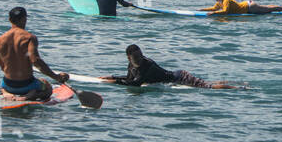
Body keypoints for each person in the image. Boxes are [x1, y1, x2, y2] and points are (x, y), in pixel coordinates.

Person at [0, 6, 68, 100]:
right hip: (26, 84)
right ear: (25, 19)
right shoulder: (29, 37)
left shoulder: (0, 40)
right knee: (47, 87)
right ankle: (31, 95)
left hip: (8, 84)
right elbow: (35, 60)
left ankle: (6, 92)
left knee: (4, 84)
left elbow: (2, 66)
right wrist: (56, 77)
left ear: (10, 20)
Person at [99, 44, 246, 89]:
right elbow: (130, 78)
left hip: (180, 77)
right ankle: (236, 82)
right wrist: (112, 77)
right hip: (177, 77)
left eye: (140, 55)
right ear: (129, 58)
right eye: (136, 57)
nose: (139, 58)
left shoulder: (148, 64)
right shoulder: (131, 65)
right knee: (208, 83)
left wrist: (114, 82)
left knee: (208, 87)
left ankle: (238, 88)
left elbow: (136, 83)